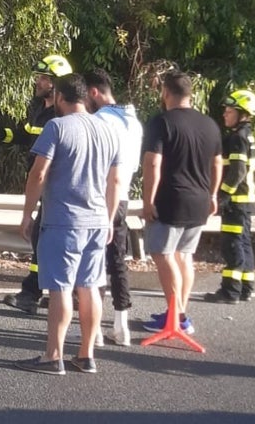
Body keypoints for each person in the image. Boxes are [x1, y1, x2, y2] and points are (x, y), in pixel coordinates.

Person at [14, 73, 123, 375]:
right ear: (86, 97)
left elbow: (38, 174)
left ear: (60, 97)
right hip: (98, 220)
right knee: (89, 286)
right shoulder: (108, 129)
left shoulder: (56, 127)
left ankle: (53, 355)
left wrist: (27, 214)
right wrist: (110, 218)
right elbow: (115, 180)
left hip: (64, 221)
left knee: (60, 288)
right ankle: (86, 354)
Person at [140, 69, 222, 334]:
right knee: (184, 256)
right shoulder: (210, 124)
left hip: (171, 199)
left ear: (165, 93)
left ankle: (176, 315)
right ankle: (179, 316)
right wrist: (212, 194)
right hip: (199, 200)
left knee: (162, 254)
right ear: (190, 94)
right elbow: (217, 162)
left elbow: (153, 162)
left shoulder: (162, 122)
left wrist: (147, 199)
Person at [0, 53, 72, 314]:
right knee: (44, 238)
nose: (38, 82)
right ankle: (53, 292)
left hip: (53, 186)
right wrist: (2, 135)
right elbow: (26, 137)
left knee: (42, 236)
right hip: (46, 189)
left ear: (55, 83)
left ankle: (32, 293)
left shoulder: (60, 117)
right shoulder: (41, 111)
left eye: (43, 78)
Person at [85, 68, 142, 346]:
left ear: (94, 92)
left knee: (93, 262)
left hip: (100, 196)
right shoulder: (133, 120)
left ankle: (94, 330)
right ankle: (121, 328)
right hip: (123, 197)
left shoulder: (101, 121)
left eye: (86, 95)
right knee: (118, 261)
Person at [205, 89, 255, 304]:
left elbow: (237, 171)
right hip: (245, 202)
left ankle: (230, 291)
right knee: (244, 243)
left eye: (229, 111)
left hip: (236, 202)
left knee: (233, 245)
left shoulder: (237, 138)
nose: (225, 114)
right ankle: (246, 287)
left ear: (242, 113)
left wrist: (224, 195)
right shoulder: (247, 135)